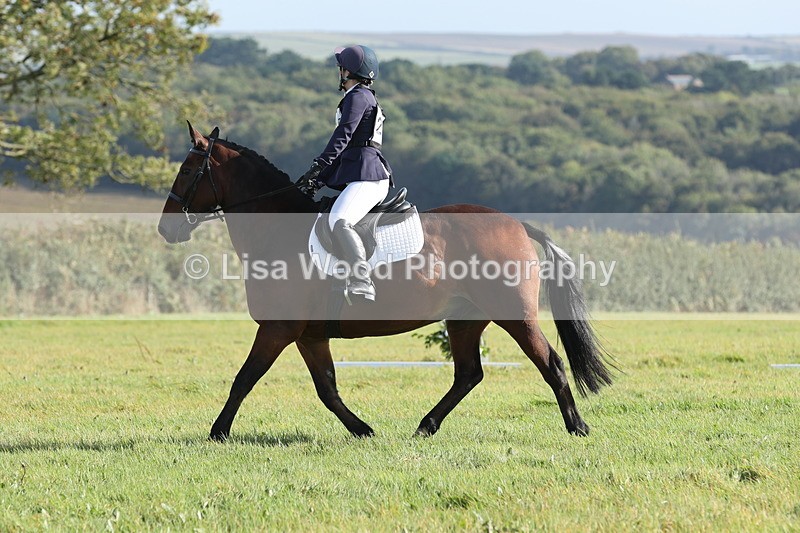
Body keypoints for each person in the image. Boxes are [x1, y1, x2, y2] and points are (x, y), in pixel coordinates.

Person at [296, 45, 393, 302]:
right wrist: (317, 179)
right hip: (361, 172)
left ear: (347, 71)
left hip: (368, 175)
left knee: (339, 219)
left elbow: (343, 136)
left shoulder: (358, 96)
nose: (340, 71)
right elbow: (347, 148)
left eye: (341, 67)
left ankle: (362, 280)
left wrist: (319, 164)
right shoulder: (361, 96)